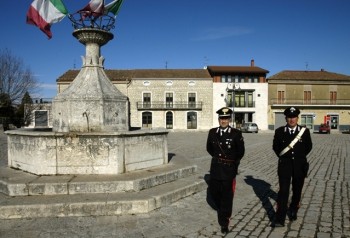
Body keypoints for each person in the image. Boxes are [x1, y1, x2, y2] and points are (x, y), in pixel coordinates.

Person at [206, 107, 245, 234]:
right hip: (216, 168)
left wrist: (232, 163)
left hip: (228, 170)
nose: (223, 121)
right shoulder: (212, 132)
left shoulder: (236, 134)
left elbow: (240, 152)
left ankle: (224, 222)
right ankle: (221, 208)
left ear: (229, 119)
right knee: (214, 192)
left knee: (227, 196)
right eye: (222, 118)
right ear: (219, 119)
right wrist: (218, 159)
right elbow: (209, 149)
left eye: (226, 118)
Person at [272, 106, 313, 227]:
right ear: (286, 118)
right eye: (289, 117)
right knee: (283, 191)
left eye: (294, 117)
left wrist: (299, 157)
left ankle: (294, 209)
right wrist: (286, 157)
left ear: (297, 118)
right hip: (285, 165)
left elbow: (308, 147)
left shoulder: (304, 132)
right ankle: (280, 218)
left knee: (297, 190)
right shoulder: (279, 131)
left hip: (299, 166)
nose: (292, 120)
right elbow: (276, 147)